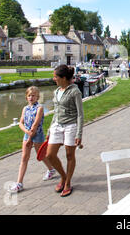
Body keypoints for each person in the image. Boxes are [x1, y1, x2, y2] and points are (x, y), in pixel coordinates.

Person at [46, 65, 84, 197]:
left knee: (69, 155)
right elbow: (56, 112)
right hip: (57, 125)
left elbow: (80, 114)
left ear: (63, 78)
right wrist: (49, 129)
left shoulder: (75, 91)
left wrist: (79, 134)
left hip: (71, 126)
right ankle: (63, 176)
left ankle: (67, 182)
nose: (54, 78)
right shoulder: (56, 91)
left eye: (55, 76)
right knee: (50, 155)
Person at [9, 86, 56, 193]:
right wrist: (27, 133)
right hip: (27, 135)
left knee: (41, 155)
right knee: (24, 158)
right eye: (29, 95)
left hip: (37, 135)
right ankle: (19, 183)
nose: (31, 97)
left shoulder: (39, 108)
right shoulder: (25, 109)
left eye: (33, 96)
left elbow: (35, 125)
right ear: (26, 97)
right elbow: (20, 122)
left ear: (37, 97)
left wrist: (31, 137)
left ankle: (51, 169)